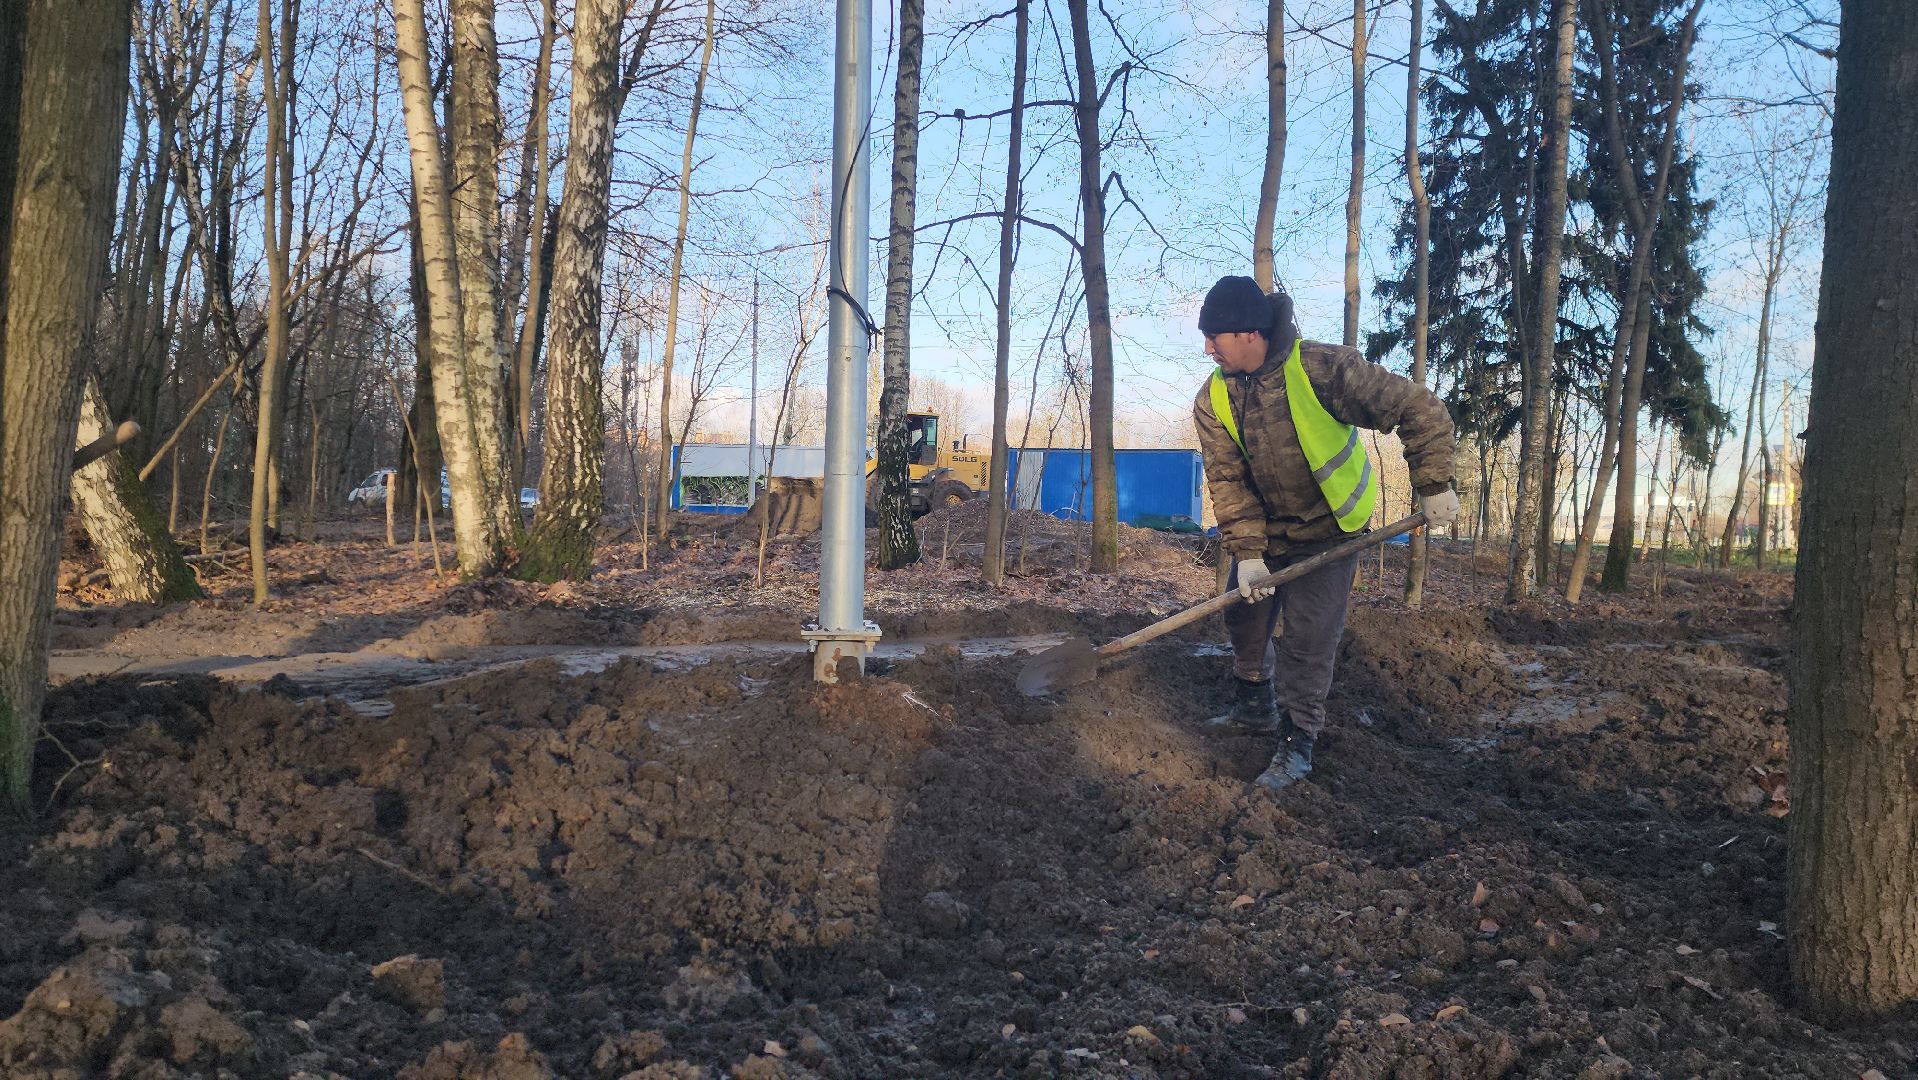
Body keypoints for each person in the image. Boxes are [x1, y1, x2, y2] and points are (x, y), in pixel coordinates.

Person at [1192, 275, 1459, 792]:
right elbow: (1227, 479)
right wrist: (1248, 554)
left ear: (1248, 334)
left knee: (1308, 641)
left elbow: (1417, 408)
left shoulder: (1321, 368)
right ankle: (1253, 707)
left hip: (1331, 529)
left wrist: (1433, 482)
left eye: (1214, 337)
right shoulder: (1213, 399)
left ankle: (1297, 743)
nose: (1207, 349)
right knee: (1243, 618)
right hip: (1267, 533)